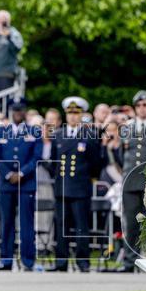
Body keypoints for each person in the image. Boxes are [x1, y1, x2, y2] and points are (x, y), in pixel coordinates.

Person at [47, 96, 104, 272]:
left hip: (80, 186)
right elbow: (53, 163)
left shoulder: (90, 136)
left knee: (81, 227)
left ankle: (83, 261)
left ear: (81, 114)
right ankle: (61, 262)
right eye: (70, 113)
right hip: (62, 186)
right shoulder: (58, 135)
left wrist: (88, 178)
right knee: (61, 226)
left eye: (76, 113)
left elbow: (96, 163)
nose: (72, 117)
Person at [0, 99, 42, 270]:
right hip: (7, 184)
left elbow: (36, 157)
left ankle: (28, 261)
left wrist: (22, 173)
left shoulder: (34, 131)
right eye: (15, 110)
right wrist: (9, 174)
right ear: (11, 112)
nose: (18, 113)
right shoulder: (2, 131)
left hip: (26, 183)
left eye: (20, 110)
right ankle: (6, 260)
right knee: (7, 223)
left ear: (25, 112)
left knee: (27, 224)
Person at [113, 90, 146, 272]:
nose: (142, 108)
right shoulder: (126, 128)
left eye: (145, 105)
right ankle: (129, 262)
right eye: (138, 105)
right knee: (130, 224)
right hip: (130, 181)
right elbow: (121, 155)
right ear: (135, 107)